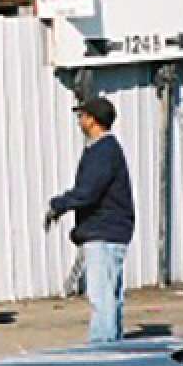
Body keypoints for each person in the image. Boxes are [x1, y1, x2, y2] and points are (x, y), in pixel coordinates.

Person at [45, 94, 137, 344]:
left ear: (93, 120)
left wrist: (58, 205)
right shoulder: (106, 149)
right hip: (111, 231)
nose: (79, 120)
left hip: (104, 232)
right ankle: (114, 345)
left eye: (82, 116)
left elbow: (88, 192)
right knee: (111, 296)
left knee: (101, 296)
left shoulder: (102, 150)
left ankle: (101, 349)